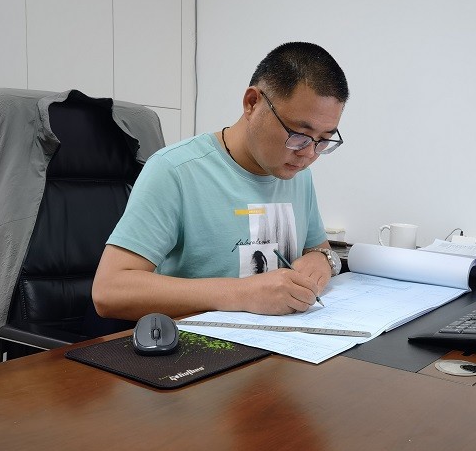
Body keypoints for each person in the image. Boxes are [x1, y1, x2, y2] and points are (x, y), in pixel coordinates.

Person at [92, 41, 348, 321]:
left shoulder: (298, 175)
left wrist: (322, 259)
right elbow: (109, 291)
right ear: (252, 103)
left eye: (324, 140)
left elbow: (319, 249)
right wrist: (244, 293)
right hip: (198, 344)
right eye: (299, 135)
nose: (309, 154)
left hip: (285, 342)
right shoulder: (175, 171)